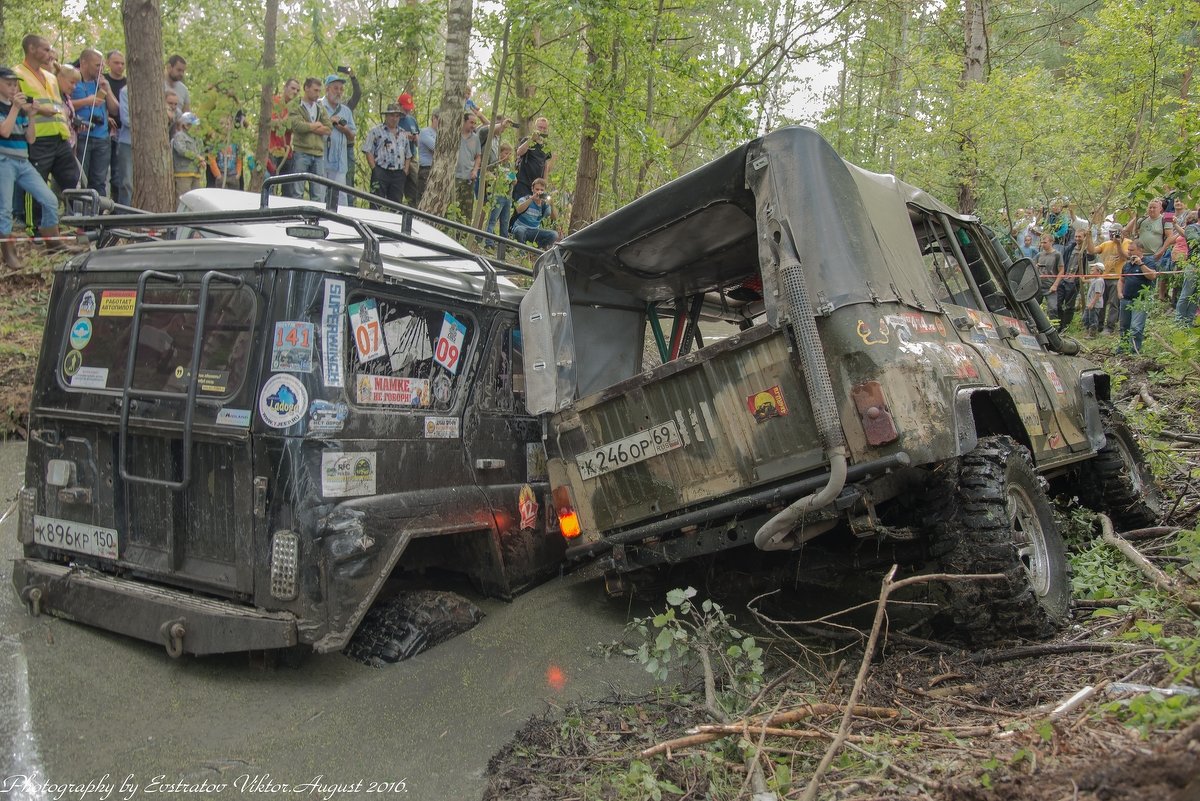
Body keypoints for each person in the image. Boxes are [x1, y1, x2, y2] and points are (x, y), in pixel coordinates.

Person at [14, 35, 77, 236]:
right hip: (37, 138)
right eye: (46, 49)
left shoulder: (51, 76)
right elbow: (15, 103)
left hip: (60, 136)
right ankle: (35, 228)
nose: (50, 54)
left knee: (71, 177)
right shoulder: (17, 74)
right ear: (32, 49)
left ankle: (71, 221)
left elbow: (58, 103)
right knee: (36, 184)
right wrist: (40, 110)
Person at [0, 65, 61, 268]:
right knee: (5, 208)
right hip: (4, 161)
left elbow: (31, 139)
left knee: (50, 199)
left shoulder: (21, 109)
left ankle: (52, 241)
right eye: (8, 84)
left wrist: (32, 115)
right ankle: (9, 253)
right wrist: (15, 108)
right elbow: (5, 132)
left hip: (22, 160)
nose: (13, 88)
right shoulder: (7, 107)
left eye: (15, 84)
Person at [70, 49, 113, 194]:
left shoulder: (100, 83)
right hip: (83, 135)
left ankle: (98, 213)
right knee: (80, 178)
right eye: (97, 66)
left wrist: (107, 89)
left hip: (102, 137)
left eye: (102, 66)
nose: (100, 69)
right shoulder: (73, 80)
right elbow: (64, 104)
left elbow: (114, 108)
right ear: (84, 63)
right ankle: (78, 212)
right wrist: (86, 102)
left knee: (99, 180)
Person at [286, 77, 331, 201]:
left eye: (319, 91)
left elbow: (328, 128)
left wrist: (309, 127)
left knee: (318, 194)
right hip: (301, 152)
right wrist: (316, 125)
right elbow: (297, 126)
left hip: (318, 154)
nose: (318, 94)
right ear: (306, 88)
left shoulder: (320, 108)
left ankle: (315, 219)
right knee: (297, 191)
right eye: (315, 90)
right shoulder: (296, 105)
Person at [319, 74, 355, 204]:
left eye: (341, 89)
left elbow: (352, 136)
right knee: (320, 195)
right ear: (327, 89)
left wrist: (344, 129)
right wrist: (330, 121)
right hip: (321, 158)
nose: (339, 92)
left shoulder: (345, 111)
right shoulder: (318, 106)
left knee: (341, 198)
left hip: (340, 161)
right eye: (335, 88)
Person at [1118, 240, 1159, 354]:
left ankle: (1134, 350)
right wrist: (1119, 293)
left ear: (1141, 250)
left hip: (1141, 300)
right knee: (1124, 326)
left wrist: (1140, 264)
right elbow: (1121, 280)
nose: (1129, 252)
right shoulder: (1126, 265)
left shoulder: (1149, 262)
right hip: (1126, 299)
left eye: (1132, 250)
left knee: (1136, 327)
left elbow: (1152, 276)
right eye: (1129, 250)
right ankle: (1123, 347)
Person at [361, 103, 408, 204]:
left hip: (398, 174)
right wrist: (375, 169)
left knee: (396, 206)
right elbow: (368, 150)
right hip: (381, 171)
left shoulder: (403, 133)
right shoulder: (376, 131)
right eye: (391, 115)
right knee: (376, 202)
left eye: (397, 116)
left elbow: (408, 154)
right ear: (386, 116)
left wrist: (405, 171)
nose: (394, 118)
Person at [1086, 225, 1127, 335]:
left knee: (1114, 303)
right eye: (1110, 232)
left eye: (1114, 232)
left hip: (1117, 277)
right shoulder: (1106, 244)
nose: (1111, 235)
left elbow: (1124, 257)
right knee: (1101, 303)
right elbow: (1092, 250)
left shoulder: (1127, 242)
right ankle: (1098, 325)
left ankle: (1110, 326)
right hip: (1104, 277)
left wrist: (1118, 243)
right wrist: (1089, 237)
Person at [268, 78, 299, 195]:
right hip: (273, 150)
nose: (295, 92)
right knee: (271, 187)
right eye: (293, 88)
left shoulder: (295, 107)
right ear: (285, 88)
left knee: (288, 191)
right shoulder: (274, 102)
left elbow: (295, 128)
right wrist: (286, 120)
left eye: (297, 90)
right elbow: (271, 124)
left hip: (287, 153)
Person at [104, 50, 127, 201]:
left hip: (122, 131)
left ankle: (117, 206)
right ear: (108, 63)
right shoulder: (103, 80)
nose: (120, 66)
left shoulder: (127, 83)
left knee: (119, 174)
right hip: (104, 132)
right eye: (116, 63)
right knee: (103, 173)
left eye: (122, 63)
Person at [1054, 229, 1087, 331]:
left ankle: (1066, 325)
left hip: (1074, 281)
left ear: (1084, 238)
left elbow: (1090, 260)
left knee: (1069, 305)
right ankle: (1058, 323)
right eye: (1076, 236)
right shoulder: (1070, 248)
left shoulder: (1085, 251)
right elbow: (1063, 261)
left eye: (1079, 237)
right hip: (1064, 279)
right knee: (1057, 302)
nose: (1077, 239)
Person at [512, 116, 552, 201]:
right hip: (523, 182)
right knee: (520, 207)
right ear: (535, 127)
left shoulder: (546, 145)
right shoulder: (528, 140)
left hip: (537, 186)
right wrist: (531, 140)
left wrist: (544, 184)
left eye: (544, 128)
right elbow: (519, 152)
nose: (542, 129)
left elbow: (545, 165)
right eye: (540, 127)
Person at [511, 177, 558, 248]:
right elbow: (518, 210)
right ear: (532, 189)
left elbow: (554, 218)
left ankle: (536, 250)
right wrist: (532, 198)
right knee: (519, 230)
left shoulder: (544, 205)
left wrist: (552, 204)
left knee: (554, 234)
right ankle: (521, 250)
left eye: (542, 190)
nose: (539, 192)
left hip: (534, 231)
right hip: (522, 229)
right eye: (537, 189)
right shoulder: (525, 199)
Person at [1173, 210, 1200, 327]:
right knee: (1187, 293)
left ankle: (1189, 321)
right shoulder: (1192, 228)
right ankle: (1179, 321)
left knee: (1196, 295)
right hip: (1193, 265)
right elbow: (1195, 241)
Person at [484, 142, 515, 242]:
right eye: (506, 153)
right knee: (493, 219)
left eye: (510, 154)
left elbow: (513, 178)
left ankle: (503, 243)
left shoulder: (510, 165)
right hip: (497, 194)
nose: (508, 156)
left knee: (505, 221)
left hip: (507, 195)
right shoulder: (496, 163)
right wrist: (495, 178)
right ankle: (488, 241)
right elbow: (487, 173)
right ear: (500, 153)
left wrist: (512, 178)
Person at [171, 111, 203, 200]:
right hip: (183, 173)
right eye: (194, 125)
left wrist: (202, 161)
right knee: (183, 198)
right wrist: (196, 157)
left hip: (196, 173)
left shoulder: (197, 139)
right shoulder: (179, 136)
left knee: (196, 198)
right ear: (186, 125)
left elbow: (201, 152)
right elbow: (181, 150)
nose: (197, 128)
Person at [453, 113, 480, 218]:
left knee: (467, 210)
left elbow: (478, 156)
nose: (473, 125)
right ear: (464, 122)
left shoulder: (475, 138)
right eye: (471, 122)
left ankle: (464, 233)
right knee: (453, 206)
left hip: (469, 178)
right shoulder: (455, 135)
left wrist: (475, 170)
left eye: (475, 123)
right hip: (455, 177)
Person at [395, 92, 420, 205]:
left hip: (412, 157)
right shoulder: (394, 119)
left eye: (409, 109)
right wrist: (404, 136)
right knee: (398, 186)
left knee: (415, 186)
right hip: (398, 157)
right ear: (399, 106)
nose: (408, 111)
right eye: (405, 109)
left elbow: (418, 139)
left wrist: (415, 138)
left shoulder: (412, 120)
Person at [1035, 233, 1063, 320]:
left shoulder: (1057, 255)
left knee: (1053, 309)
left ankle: (1054, 329)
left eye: (1045, 242)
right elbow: (1033, 268)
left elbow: (1061, 270)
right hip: (1038, 286)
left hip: (1050, 286)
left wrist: (1055, 285)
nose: (1043, 244)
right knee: (1033, 308)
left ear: (1051, 242)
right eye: (1042, 242)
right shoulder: (1039, 255)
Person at [415, 111, 438, 205]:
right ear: (433, 118)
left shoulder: (442, 134)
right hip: (426, 170)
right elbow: (436, 148)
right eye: (438, 119)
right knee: (423, 198)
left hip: (437, 170)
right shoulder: (425, 132)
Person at [1082, 263, 1106, 337]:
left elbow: (1097, 294)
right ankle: (1087, 331)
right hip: (1090, 304)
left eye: (1093, 270)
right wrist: (1083, 278)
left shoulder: (1099, 281)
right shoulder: (1094, 279)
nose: (1090, 272)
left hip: (1094, 304)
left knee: (1093, 320)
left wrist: (1092, 304)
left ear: (1098, 271)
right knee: (1085, 318)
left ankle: (1092, 334)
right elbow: (1087, 281)